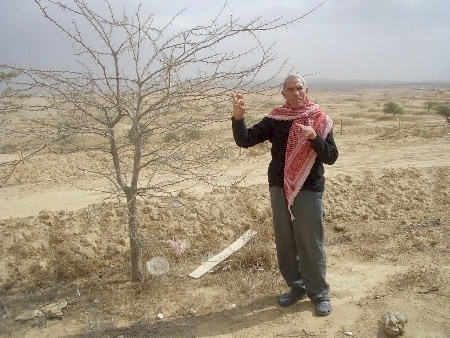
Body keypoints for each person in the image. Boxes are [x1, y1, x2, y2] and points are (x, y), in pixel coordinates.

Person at [230, 74, 338, 316]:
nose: (296, 93)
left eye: (299, 88)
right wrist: (238, 118)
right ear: (283, 94)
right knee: (285, 241)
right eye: (290, 89)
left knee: (310, 241)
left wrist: (314, 138)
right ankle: (296, 287)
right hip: (279, 187)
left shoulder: (320, 120)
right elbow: (245, 140)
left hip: (309, 189)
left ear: (306, 90)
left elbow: (331, 156)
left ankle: (319, 292)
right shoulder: (276, 119)